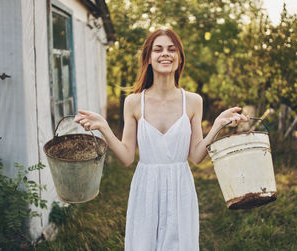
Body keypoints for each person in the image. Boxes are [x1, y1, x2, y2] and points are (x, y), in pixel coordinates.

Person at [74, 29, 250, 251]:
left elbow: (196, 156)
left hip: (180, 187)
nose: (165, 54)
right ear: (148, 58)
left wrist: (217, 126)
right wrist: (103, 127)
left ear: (179, 58)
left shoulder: (194, 101)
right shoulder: (134, 102)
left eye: (171, 49)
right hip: (145, 188)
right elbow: (127, 157)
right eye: (158, 49)